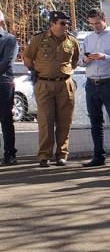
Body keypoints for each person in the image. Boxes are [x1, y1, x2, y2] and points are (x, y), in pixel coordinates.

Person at [22, 11, 80, 167]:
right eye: (62, 23)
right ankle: (44, 156)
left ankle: (61, 155)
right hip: (44, 84)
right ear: (52, 24)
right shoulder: (38, 39)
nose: (66, 26)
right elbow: (27, 58)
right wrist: (38, 71)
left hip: (65, 85)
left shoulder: (72, 41)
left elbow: (74, 61)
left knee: (64, 121)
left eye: (67, 23)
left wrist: (64, 73)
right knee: (45, 121)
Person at [80, 8, 110, 169]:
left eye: (98, 23)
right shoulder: (88, 38)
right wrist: (86, 59)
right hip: (91, 83)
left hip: (109, 82)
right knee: (95, 121)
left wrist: (104, 57)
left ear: (104, 20)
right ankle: (98, 156)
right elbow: (80, 62)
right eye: (92, 24)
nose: (96, 27)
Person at [0, 9, 17, 165]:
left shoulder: (9, 39)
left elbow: (7, 62)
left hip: (3, 84)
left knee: (6, 120)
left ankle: (10, 154)